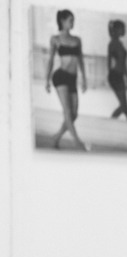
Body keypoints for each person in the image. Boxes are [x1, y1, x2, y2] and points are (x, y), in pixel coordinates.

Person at [44, 9, 88, 151]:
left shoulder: (77, 40)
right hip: (60, 76)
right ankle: (78, 142)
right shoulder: (55, 39)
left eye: (73, 20)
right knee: (68, 112)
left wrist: (84, 79)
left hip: (73, 78)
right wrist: (46, 79)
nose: (73, 23)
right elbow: (51, 60)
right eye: (70, 20)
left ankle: (56, 138)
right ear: (62, 21)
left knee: (74, 114)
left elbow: (80, 60)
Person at [107, 19, 127, 121]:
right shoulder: (113, 43)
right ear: (117, 30)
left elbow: (123, 63)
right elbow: (109, 61)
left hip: (119, 75)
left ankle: (114, 121)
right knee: (124, 106)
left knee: (124, 106)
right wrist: (110, 76)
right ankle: (112, 121)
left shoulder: (119, 43)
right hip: (115, 76)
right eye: (123, 28)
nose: (124, 30)